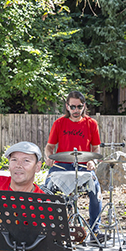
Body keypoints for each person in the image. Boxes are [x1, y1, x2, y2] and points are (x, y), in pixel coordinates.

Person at [43, 91, 103, 239]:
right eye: (73, 107)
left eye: (79, 106)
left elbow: (96, 148)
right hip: (61, 166)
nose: (76, 110)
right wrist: (47, 157)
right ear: (67, 107)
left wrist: (93, 161)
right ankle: (49, 228)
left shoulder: (91, 123)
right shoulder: (59, 123)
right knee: (46, 188)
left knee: (96, 191)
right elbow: (49, 147)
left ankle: (95, 230)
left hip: (83, 166)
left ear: (84, 106)